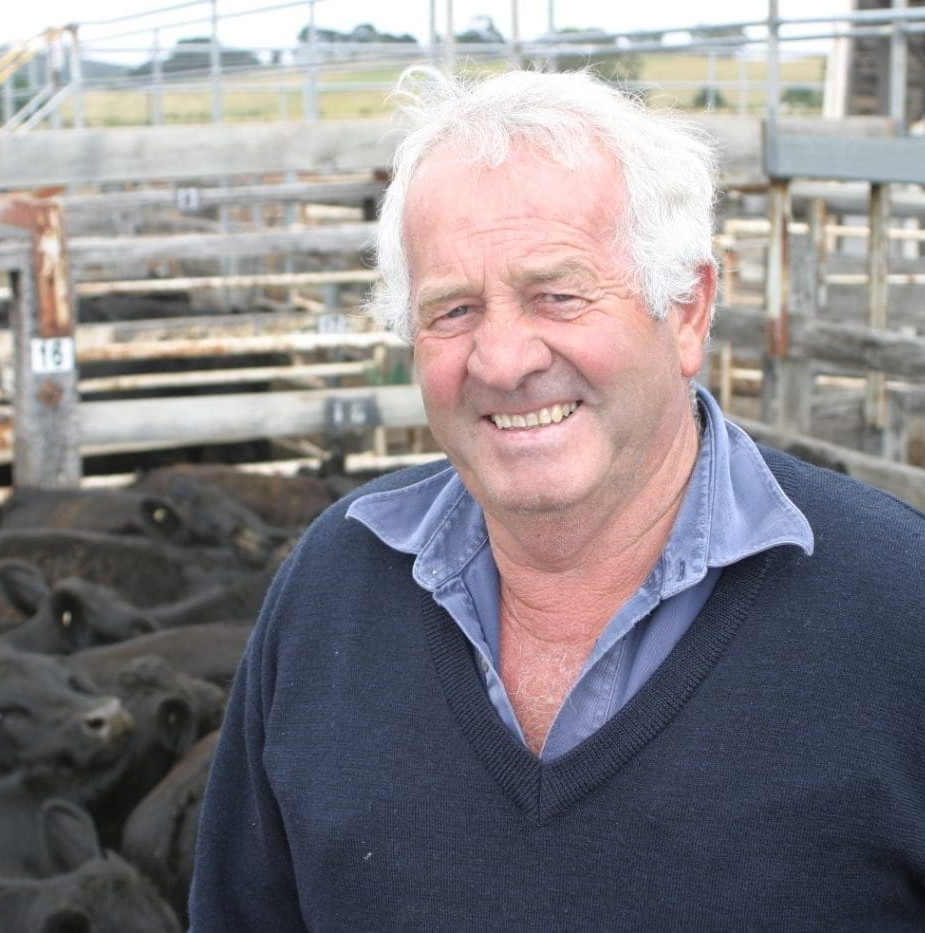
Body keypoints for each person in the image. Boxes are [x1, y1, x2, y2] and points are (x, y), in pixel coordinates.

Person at [188, 67, 925, 930]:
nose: (502, 360)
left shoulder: (895, 608)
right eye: (453, 310)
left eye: (558, 295)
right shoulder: (333, 587)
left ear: (686, 310)